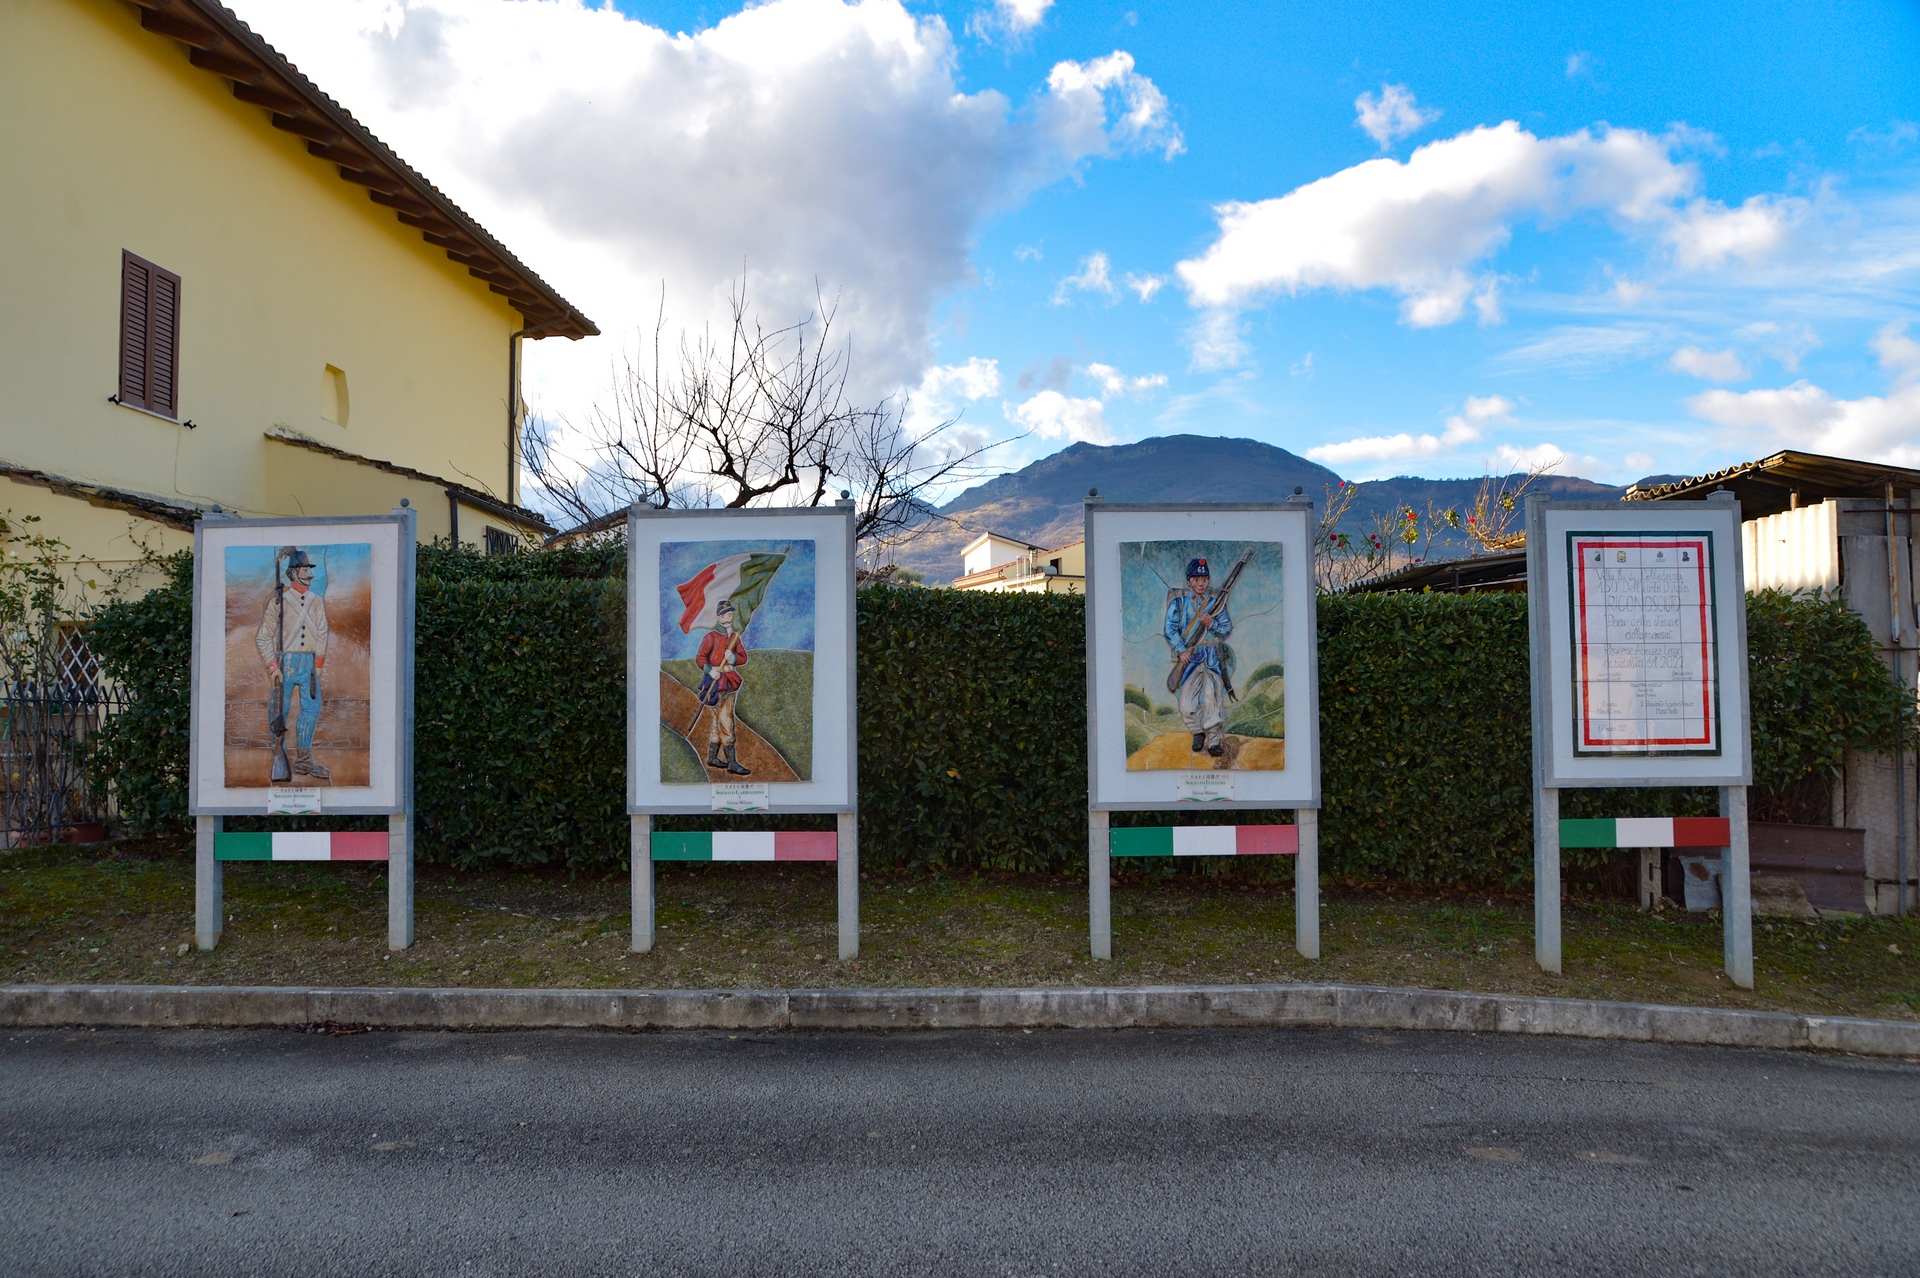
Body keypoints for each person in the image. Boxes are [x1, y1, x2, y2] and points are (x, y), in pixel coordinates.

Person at [254, 547, 331, 782]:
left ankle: (304, 760)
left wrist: (318, 664)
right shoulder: (278, 601)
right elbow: (263, 637)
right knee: (279, 710)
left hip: (308, 663)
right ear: (293, 573)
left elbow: (322, 632)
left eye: (309, 570)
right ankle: (279, 755)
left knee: (311, 709)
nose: (309, 575)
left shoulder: (316, 601)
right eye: (304, 570)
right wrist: (273, 667)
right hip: (285, 663)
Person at [1164, 556, 1233, 757]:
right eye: (1196, 580)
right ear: (1189, 582)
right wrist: (1181, 649)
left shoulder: (1216, 604)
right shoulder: (1179, 603)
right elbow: (1170, 629)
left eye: (1204, 580)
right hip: (1190, 658)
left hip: (1212, 657)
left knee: (1212, 699)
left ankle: (1213, 739)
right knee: (1187, 704)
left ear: (1208, 581)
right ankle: (1197, 731)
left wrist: (1212, 624)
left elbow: (1226, 629)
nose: (1201, 584)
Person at [694, 599, 752, 776]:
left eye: (730, 615)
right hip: (714, 684)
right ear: (718, 618)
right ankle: (731, 763)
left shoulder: (734, 638)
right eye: (724, 615)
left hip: (729, 683)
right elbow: (700, 658)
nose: (728, 618)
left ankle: (712, 758)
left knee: (718, 722)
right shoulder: (710, 637)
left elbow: (743, 658)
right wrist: (710, 671)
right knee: (725, 722)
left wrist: (733, 658)